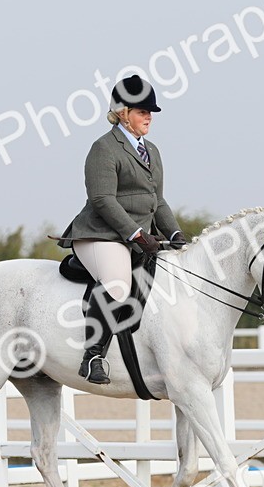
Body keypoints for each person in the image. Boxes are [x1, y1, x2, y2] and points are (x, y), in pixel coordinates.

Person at [57, 75, 187, 384]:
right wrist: (137, 235)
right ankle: (93, 356)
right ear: (123, 113)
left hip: (134, 238)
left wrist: (176, 235)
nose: (149, 117)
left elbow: (158, 201)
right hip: (99, 235)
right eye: (142, 111)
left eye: (150, 112)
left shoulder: (152, 151)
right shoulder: (104, 148)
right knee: (117, 284)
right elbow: (102, 199)